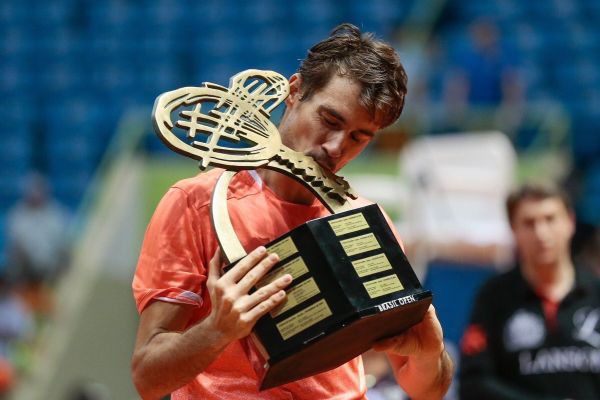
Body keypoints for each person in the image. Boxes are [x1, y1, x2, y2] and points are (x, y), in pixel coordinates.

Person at [131, 24, 453, 400]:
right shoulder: (195, 204)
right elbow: (147, 377)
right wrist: (217, 330)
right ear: (295, 90)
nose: (335, 147)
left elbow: (425, 389)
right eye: (330, 120)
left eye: (358, 137)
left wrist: (430, 356)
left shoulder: (366, 221)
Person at [459, 184, 600, 399]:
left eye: (550, 219)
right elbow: (474, 383)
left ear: (570, 223)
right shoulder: (494, 297)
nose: (541, 233)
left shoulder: (596, 293)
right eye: (529, 223)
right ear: (513, 230)